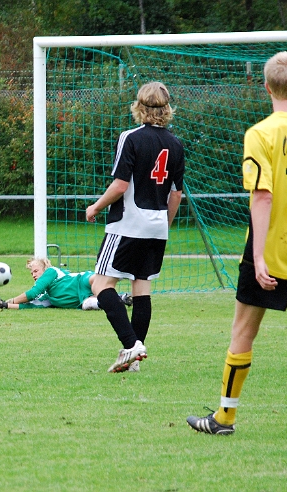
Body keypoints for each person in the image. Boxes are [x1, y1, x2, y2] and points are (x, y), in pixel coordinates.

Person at [186, 52, 287, 441]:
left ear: (266, 87)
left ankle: (224, 418)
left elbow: (262, 196)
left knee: (242, 331)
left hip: (272, 250)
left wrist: (259, 256)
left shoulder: (260, 133)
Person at [85, 81, 185, 373]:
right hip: (156, 227)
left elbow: (120, 185)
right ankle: (133, 362)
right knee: (141, 289)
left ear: (139, 107)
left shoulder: (130, 137)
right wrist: (163, 225)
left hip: (128, 223)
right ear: (167, 109)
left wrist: (95, 207)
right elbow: (176, 194)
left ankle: (132, 345)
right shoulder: (176, 144)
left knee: (100, 284)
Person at [0, 257, 132, 310]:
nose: (33, 275)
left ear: (44, 269)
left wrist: (10, 299)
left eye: (36, 270)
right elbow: (30, 305)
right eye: (31, 273)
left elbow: (32, 294)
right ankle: (122, 298)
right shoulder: (48, 296)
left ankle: (126, 271)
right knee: (88, 305)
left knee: (98, 279)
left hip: (81, 282)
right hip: (82, 300)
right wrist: (3, 305)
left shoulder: (51, 272)